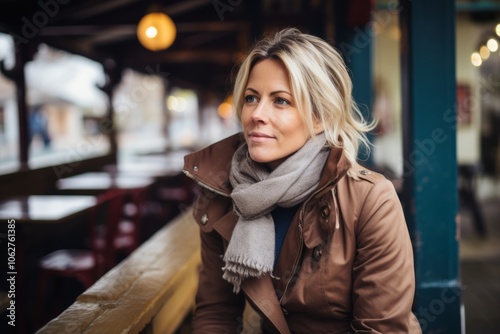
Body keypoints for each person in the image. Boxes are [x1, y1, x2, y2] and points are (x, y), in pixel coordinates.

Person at [183, 28, 421, 334]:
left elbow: (381, 328)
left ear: (321, 116)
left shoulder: (372, 200)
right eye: (251, 98)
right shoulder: (224, 196)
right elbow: (216, 313)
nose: (257, 114)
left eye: (281, 101)